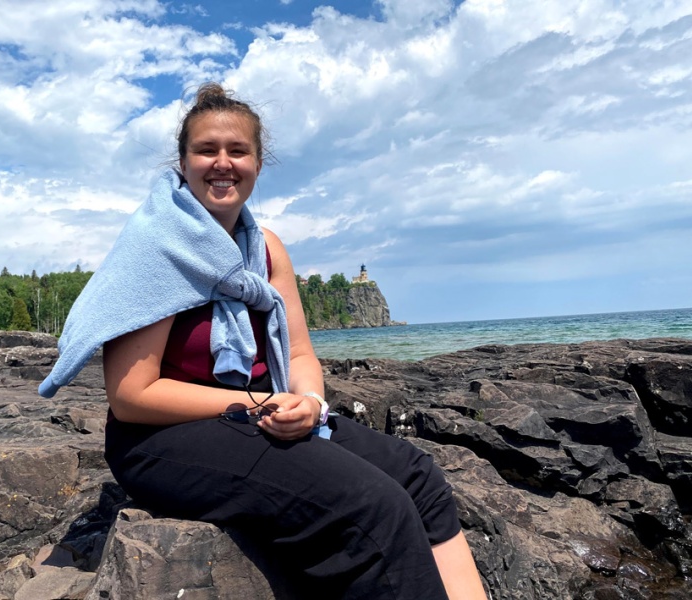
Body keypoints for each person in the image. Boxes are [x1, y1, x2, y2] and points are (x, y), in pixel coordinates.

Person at [44, 82, 487, 599]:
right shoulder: (156, 247)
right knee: (371, 505)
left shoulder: (266, 248)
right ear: (183, 161)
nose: (222, 163)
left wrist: (310, 403)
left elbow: (299, 353)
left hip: (258, 414)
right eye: (207, 150)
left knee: (419, 478)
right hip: (161, 438)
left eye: (238, 150)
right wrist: (262, 404)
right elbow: (131, 395)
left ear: (258, 161)